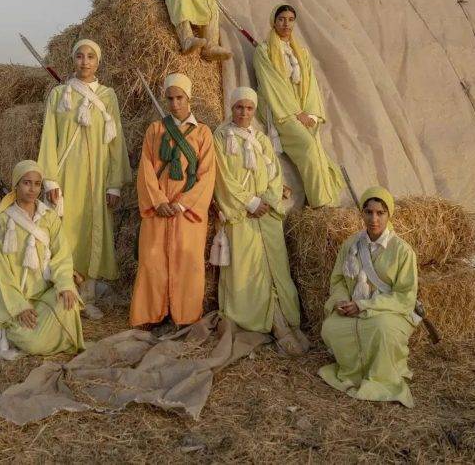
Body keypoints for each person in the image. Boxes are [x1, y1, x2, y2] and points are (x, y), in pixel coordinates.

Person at [38, 39, 132, 320]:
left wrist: (114, 183)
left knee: (91, 233)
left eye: (91, 56)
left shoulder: (107, 96)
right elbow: (49, 137)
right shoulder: (59, 94)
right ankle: (64, 295)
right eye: (80, 56)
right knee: (64, 235)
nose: (85, 61)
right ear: (73, 59)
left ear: (98, 62)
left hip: (97, 180)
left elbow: (115, 142)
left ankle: (87, 296)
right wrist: (50, 181)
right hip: (66, 177)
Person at [211, 86, 309, 354]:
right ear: (231, 108)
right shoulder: (221, 137)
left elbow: (275, 174)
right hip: (241, 215)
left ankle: (284, 318)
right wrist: (250, 202)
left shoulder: (262, 139)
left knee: (275, 267)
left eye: (249, 108)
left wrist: (266, 200)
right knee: (248, 268)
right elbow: (222, 177)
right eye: (239, 107)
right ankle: (266, 322)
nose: (244, 113)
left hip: (266, 214)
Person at [130, 73, 216, 333]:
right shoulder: (155, 130)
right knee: (152, 260)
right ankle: (150, 314)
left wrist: (182, 204)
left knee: (188, 262)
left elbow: (207, 175)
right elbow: (146, 169)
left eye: (180, 98)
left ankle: (185, 316)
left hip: (187, 211)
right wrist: (158, 201)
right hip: (159, 209)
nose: (175, 104)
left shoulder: (203, 133)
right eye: (170, 99)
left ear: (189, 98)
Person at [318, 186, 418, 407]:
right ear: (361, 213)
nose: (374, 219)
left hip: (389, 311)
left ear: (389, 214)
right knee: (330, 327)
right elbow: (338, 280)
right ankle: (354, 371)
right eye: (369, 212)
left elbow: (405, 296)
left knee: (381, 328)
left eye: (380, 213)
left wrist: (364, 306)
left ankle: (381, 377)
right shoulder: (350, 245)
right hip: (355, 306)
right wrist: (341, 301)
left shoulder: (402, 251)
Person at [0, 160, 84, 361]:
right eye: (26, 183)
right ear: (16, 185)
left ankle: (48, 332)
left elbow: (62, 255)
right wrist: (20, 307)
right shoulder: (1, 223)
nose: (32, 189)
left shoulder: (49, 218)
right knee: (33, 343)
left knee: (69, 303)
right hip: (17, 302)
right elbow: (1, 275)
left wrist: (64, 285)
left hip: (46, 295)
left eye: (37, 184)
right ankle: (17, 332)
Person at [253, 3, 344, 208]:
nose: (286, 24)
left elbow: (310, 84)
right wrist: (297, 112)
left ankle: (329, 202)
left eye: (291, 20)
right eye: (281, 19)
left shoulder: (301, 52)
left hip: (303, 110)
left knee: (318, 151)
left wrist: (312, 114)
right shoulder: (264, 51)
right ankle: (320, 204)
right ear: (273, 22)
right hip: (281, 111)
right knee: (309, 147)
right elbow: (272, 85)